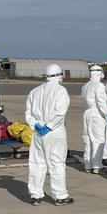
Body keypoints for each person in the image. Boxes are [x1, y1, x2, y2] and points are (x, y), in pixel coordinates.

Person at [25, 64, 74, 206]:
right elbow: (60, 113)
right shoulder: (61, 91)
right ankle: (60, 196)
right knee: (56, 163)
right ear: (59, 75)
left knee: (37, 163)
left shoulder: (34, 91)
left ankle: (35, 195)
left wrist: (35, 125)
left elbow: (28, 113)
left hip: (38, 132)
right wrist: (49, 126)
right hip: (54, 132)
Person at [81, 65, 107, 174]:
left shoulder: (85, 86)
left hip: (86, 113)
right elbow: (101, 102)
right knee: (99, 140)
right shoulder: (99, 85)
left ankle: (87, 165)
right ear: (99, 73)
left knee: (88, 140)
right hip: (96, 114)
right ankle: (97, 166)